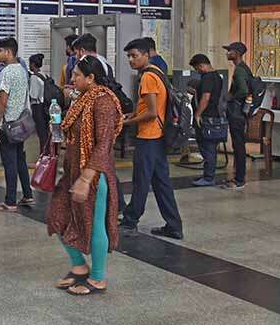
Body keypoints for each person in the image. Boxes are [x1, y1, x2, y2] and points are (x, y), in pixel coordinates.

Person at [47, 55, 123, 296]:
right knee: (57, 215)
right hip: (74, 171)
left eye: (77, 75)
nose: (72, 78)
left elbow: (104, 145)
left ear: (91, 78)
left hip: (94, 175)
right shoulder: (82, 100)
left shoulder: (103, 102)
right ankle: (79, 267)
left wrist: (86, 178)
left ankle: (98, 278)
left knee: (95, 224)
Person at [120, 38, 183, 240]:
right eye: (128, 56)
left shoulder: (147, 77)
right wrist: (132, 115)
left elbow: (152, 112)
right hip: (159, 137)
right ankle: (174, 225)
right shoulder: (159, 72)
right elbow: (151, 108)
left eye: (134, 56)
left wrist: (127, 123)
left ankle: (130, 221)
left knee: (141, 181)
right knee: (161, 183)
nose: (131, 60)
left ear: (147, 55)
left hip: (148, 137)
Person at [0, 37, 35, 212]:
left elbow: (2, 101)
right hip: (20, 124)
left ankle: (10, 201)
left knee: (9, 163)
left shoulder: (7, 72)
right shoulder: (22, 70)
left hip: (8, 125)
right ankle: (28, 194)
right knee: (20, 160)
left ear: (8, 52)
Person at [189, 54, 223, 187]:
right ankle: (208, 174)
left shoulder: (208, 78)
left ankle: (208, 177)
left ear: (202, 65)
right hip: (213, 116)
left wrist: (197, 114)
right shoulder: (217, 76)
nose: (197, 71)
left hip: (206, 117)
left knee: (207, 147)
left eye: (197, 68)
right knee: (210, 147)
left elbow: (206, 98)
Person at [223, 42, 251, 190]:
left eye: (230, 50)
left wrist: (230, 98)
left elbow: (243, 90)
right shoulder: (243, 68)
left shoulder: (240, 70)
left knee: (238, 145)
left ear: (237, 53)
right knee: (238, 145)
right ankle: (239, 177)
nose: (227, 53)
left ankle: (240, 179)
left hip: (237, 113)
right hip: (240, 113)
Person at [29, 53, 50, 147]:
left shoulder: (34, 77)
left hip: (37, 107)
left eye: (30, 64)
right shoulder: (44, 75)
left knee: (41, 134)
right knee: (45, 131)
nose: (29, 66)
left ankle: (44, 155)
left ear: (33, 64)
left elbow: (33, 95)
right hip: (45, 106)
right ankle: (48, 153)